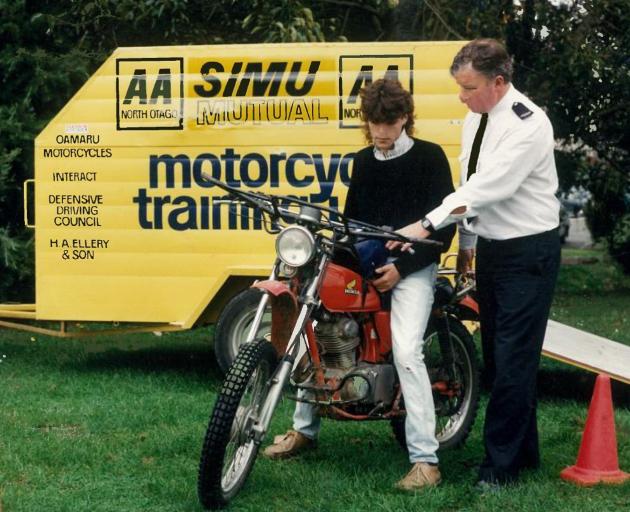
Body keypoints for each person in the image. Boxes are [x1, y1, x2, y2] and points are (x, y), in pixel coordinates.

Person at [263, 78, 456, 491]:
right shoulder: (364, 161)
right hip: (371, 262)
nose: (381, 132)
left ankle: (426, 460)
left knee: (407, 351)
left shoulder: (430, 157)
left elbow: (444, 228)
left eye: (389, 122)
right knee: (311, 327)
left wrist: (402, 270)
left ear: (405, 118)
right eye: (374, 123)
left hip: (414, 267)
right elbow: (354, 225)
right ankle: (304, 431)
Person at [389, 39, 561, 488]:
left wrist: (426, 224)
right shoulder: (475, 118)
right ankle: (523, 455)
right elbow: (471, 184)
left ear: (499, 82)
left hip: (529, 252)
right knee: (500, 360)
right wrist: (467, 245)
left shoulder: (528, 124)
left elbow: (489, 188)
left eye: (469, 87)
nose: (461, 96)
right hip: (495, 248)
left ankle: (498, 470)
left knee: (512, 359)